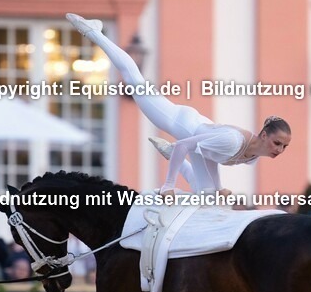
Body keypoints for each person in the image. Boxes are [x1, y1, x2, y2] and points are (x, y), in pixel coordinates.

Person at [66, 14, 291, 195]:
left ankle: (170, 153)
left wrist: (219, 187)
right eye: (277, 143)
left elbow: (210, 154)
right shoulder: (234, 141)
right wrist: (168, 185)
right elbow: (185, 145)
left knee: (209, 195)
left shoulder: (252, 156)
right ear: (263, 135)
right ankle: (93, 31)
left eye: (284, 146)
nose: (279, 150)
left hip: (197, 128)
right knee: (135, 79)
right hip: (179, 120)